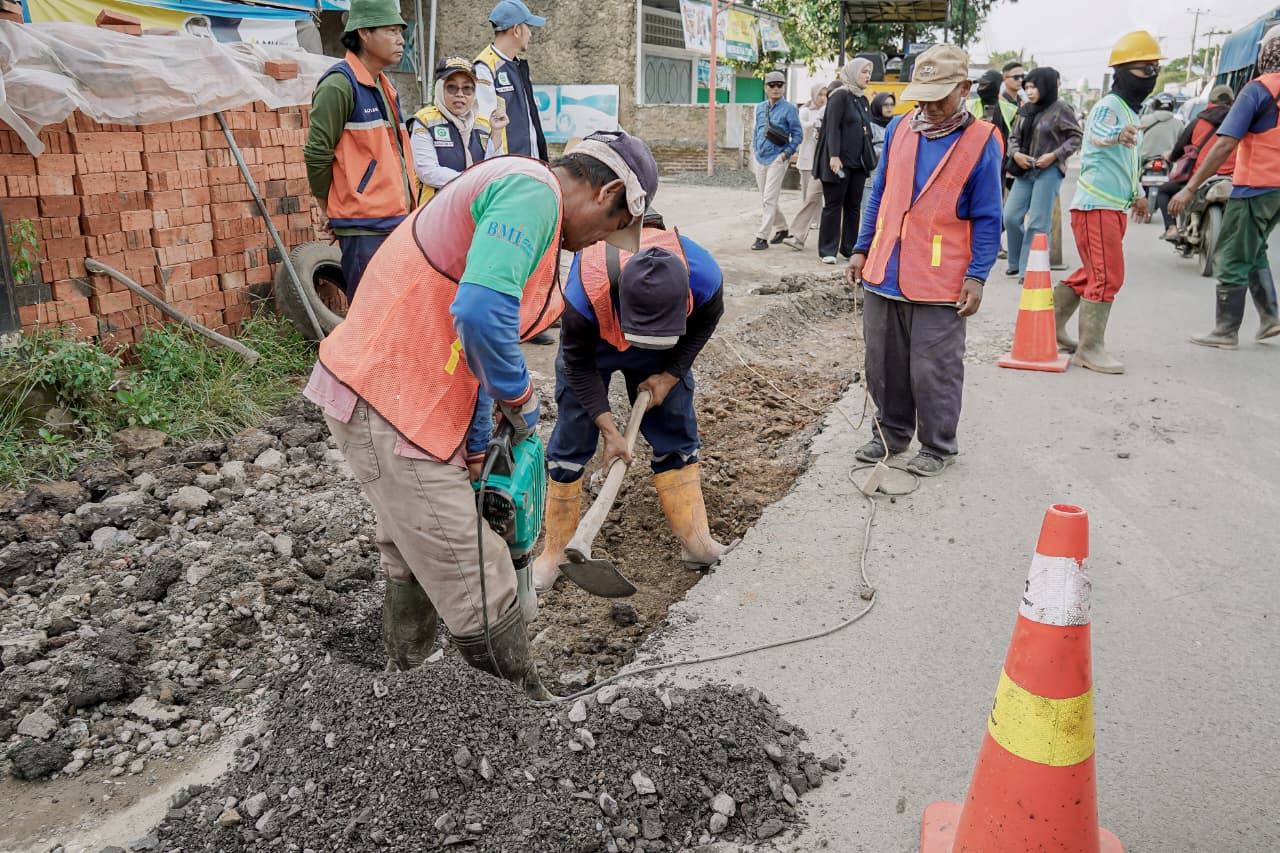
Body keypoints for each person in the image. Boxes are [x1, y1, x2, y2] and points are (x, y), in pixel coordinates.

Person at [302, 131, 658, 697]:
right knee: (479, 571)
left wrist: (473, 446)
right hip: (392, 401)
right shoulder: (534, 194)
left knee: (416, 548)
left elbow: (469, 343)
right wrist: (521, 398)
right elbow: (478, 310)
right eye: (611, 228)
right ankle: (521, 709)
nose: (599, 242)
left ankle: (409, 691)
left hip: (398, 397)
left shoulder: (520, 199)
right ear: (607, 191)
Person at [533, 213, 728, 590]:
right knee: (572, 439)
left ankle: (697, 544)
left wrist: (670, 376)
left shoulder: (704, 275)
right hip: (594, 346)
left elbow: (704, 325)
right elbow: (576, 364)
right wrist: (609, 429)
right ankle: (555, 552)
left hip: (663, 348)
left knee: (675, 430)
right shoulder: (584, 292)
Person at [846, 44, 1004, 477]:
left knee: (934, 367)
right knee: (883, 363)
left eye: (941, 96)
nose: (930, 106)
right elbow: (879, 194)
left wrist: (977, 276)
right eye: (924, 95)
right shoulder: (899, 128)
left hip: (940, 278)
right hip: (885, 269)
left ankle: (937, 444)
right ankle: (890, 434)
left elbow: (990, 216)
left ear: (965, 88)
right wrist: (862, 247)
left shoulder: (982, 141)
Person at [1054, 30, 1162, 375]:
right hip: (1096, 205)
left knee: (1093, 272)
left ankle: (1051, 327)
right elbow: (1097, 137)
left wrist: (1140, 195)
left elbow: (1128, 162)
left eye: (1155, 69)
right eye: (1144, 69)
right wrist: (1116, 135)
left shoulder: (1131, 110)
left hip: (1112, 206)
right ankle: (1090, 348)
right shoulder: (1108, 107)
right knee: (1107, 275)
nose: (1151, 76)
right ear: (1123, 71)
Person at [303, 0, 416, 303]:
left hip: (395, 221)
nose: (401, 39)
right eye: (391, 31)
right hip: (364, 227)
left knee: (396, 316)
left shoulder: (384, 85)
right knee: (370, 317)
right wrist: (327, 206)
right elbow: (317, 153)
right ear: (364, 33)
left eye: (401, 32)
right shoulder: (339, 85)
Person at [1173, 30, 1280, 347]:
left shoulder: (1257, 90)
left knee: (1232, 254)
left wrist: (1189, 188)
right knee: (1254, 248)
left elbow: (1225, 144)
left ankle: (1225, 331)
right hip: (1276, 192)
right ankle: (1270, 318)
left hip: (1255, 186)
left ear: (1265, 55)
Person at [1003, 67, 1082, 279]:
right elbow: (1013, 137)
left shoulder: (1061, 108)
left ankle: (1029, 269)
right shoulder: (1026, 109)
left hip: (1048, 171)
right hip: (1025, 169)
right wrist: (1016, 154)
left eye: (1033, 87)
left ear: (1045, 86)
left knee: (1038, 222)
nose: (1029, 92)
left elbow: (1076, 137)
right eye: (1026, 87)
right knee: (1010, 216)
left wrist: (1055, 156)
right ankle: (1017, 261)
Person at [407, 56, 506, 205]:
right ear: (440, 89)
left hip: (473, 211)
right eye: (452, 87)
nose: (460, 94)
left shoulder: (485, 124)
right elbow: (427, 172)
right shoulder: (425, 120)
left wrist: (497, 132)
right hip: (434, 212)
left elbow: (493, 169)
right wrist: (471, 182)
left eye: (467, 89)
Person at [815, 58, 875, 264]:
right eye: (864, 72)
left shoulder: (862, 100)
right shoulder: (840, 96)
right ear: (852, 72)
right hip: (838, 162)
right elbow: (832, 127)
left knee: (853, 206)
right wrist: (833, 155)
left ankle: (849, 247)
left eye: (869, 72)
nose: (867, 76)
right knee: (833, 205)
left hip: (858, 164)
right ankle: (827, 250)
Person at [1157, 85, 1236, 239]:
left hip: (1200, 179)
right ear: (1232, 102)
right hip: (1233, 179)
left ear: (1210, 101)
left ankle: (1172, 229)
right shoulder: (1241, 122)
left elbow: (1178, 150)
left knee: (1164, 191)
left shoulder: (1197, 122)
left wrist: (1170, 156)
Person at [474, 0, 547, 161]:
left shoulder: (517, 65)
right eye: (528, 27)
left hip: (528, 165)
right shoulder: (485, 68)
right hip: (507, 171)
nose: (530, 34)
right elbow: (485, 129)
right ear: (516, 30)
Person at [750, 71, 802, 250]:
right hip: (760, 157)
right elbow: (757, 130)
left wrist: (785, 155)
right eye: (772, 85)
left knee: (769, 199)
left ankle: (761, 237)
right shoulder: (760, 108)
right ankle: (782, 228)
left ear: (784, 87)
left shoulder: (790, 109)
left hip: (777, 158)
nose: (776, 88)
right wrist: (755, 149)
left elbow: (797, 135)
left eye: (779, 84)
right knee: (765, 198)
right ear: (765, 87)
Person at [782, 83, 828, 252]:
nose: (822, 98)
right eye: (820, 94)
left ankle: (817, 221)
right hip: (809, 157)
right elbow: (802, 128)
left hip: (823, 158)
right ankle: (802, 230)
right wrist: (817, 121)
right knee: (808, 194)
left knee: (819, 195)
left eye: (825, 94)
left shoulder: (828, 110)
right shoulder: (805, 110)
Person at [969, 69, 1014, 149]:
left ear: (994, 86)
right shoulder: (969, 105)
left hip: (1000, 154)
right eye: (979, 85)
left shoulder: (1009, 109)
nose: (979, 89)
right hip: (975, 151)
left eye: (983, 85)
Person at [1139, 93, 1183, 161]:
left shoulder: (1143, 120)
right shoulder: (1178, 124)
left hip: (1145, 159)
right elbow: (1182, 144)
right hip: (1168, 160)